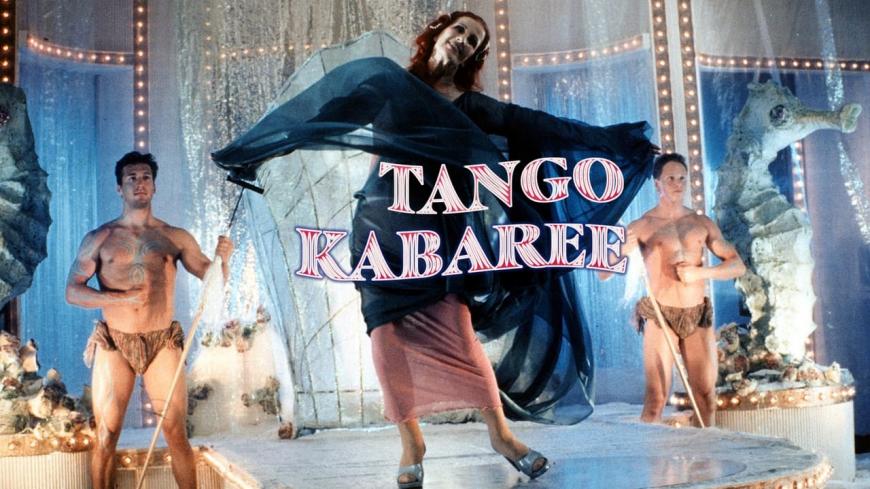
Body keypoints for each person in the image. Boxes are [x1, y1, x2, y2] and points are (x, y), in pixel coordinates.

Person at [213, 11, 657, 488]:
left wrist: (617, 141)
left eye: (474, 40)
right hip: (383, 227)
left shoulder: (472, 106)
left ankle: (503, 437)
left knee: (459, 336)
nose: (464, 40)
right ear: (437, 34)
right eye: (459, 30)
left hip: (440, 236)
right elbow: (323, 119)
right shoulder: (389, 84)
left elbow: (543, 126)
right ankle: (412, 444)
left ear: (474, 56)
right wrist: (258, 151)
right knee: (386, 338)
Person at [65, 152, 234, 489]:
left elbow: (212, 281)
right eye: (131, 178)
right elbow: (73, 291)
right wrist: (120, 298)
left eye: (145, 177)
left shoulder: (175, 236)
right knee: (107, 433)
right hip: (115, 341)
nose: (139, 183)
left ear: (154, 186)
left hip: (161, 341)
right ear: (120, 187)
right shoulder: (100, 237)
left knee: (175, 431)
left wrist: (223, 259)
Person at [607, 153, 745, 427]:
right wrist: (621, 250)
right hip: (661, 315)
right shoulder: (643, 225)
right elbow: (603, 272)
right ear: (657, 183)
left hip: (697, 313)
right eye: (670, 178)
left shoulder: (701, 222)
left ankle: (705, 453)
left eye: (682, 178)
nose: (678, 184)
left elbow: (737, 266)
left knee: (705, 397)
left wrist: (700, 273)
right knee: (656, 399)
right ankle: (652, 452)